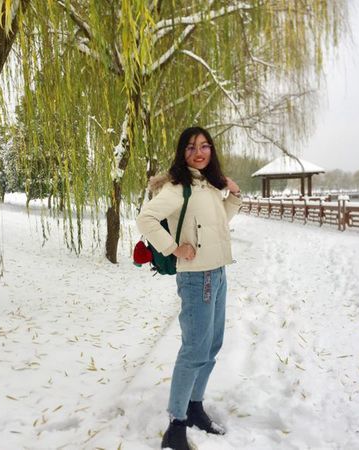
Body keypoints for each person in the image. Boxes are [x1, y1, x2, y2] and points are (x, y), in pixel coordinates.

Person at [136, 126, 242, 449]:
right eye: (191, 147)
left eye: (205, 146)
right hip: (197, 278)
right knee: (194, 349)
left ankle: (195, 407)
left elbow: (217, 224)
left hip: (218, 272)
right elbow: (146, 219)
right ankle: (176, 424)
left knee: (211, 346)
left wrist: (234, 196)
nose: (199, 152)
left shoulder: (208, 184)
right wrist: (173, 248)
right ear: (182, 152)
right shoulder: (177, 186)